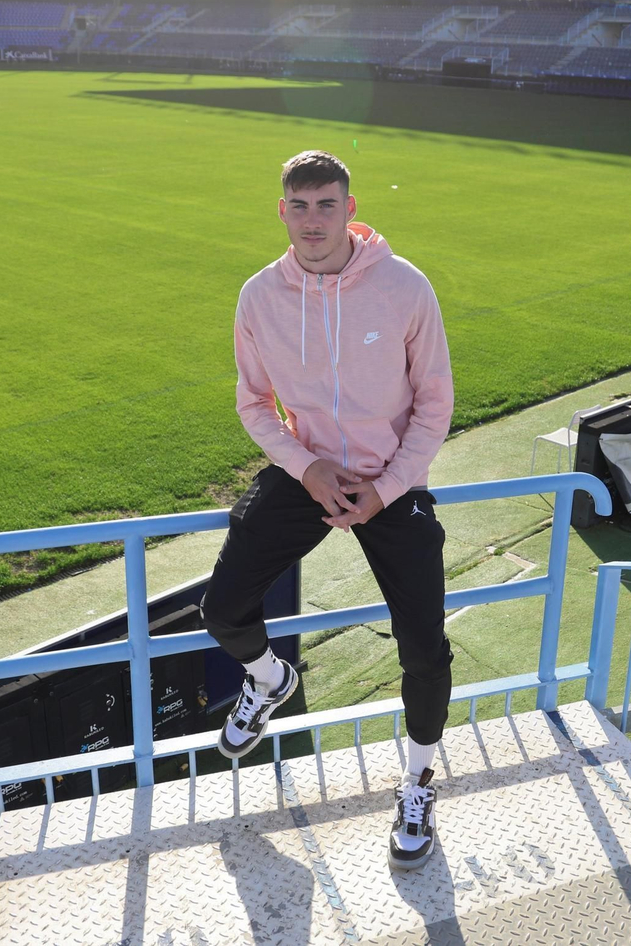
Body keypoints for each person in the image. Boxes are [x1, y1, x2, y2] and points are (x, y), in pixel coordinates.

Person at [201, 150, 454, 870]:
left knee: (424, 648)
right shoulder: (258, 295)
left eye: (328, 204)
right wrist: (307, 468)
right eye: (301, 206)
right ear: (282, 211)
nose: (314, 219)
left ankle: (417, 783)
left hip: (391, 479)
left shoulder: (405, 287)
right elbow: (253, 404)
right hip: (307, 470)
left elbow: (435, 402)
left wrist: (386, 487)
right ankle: (270, 679)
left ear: (351, 207)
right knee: (222, 608)